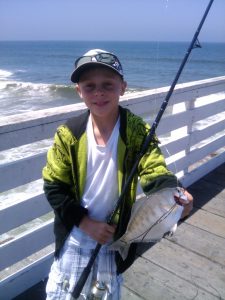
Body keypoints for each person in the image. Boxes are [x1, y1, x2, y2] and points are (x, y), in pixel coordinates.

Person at [42, 49, 193, 299]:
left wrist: (173, 195)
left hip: (116, 237)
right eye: (90, 86)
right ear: (79, 91)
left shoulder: (136, 131)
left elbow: (154, 169)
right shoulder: (67, 134)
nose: (99, 92)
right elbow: (54, 187)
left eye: (108, 85)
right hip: (75, 234)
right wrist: (85, 223)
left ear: (123, 87)